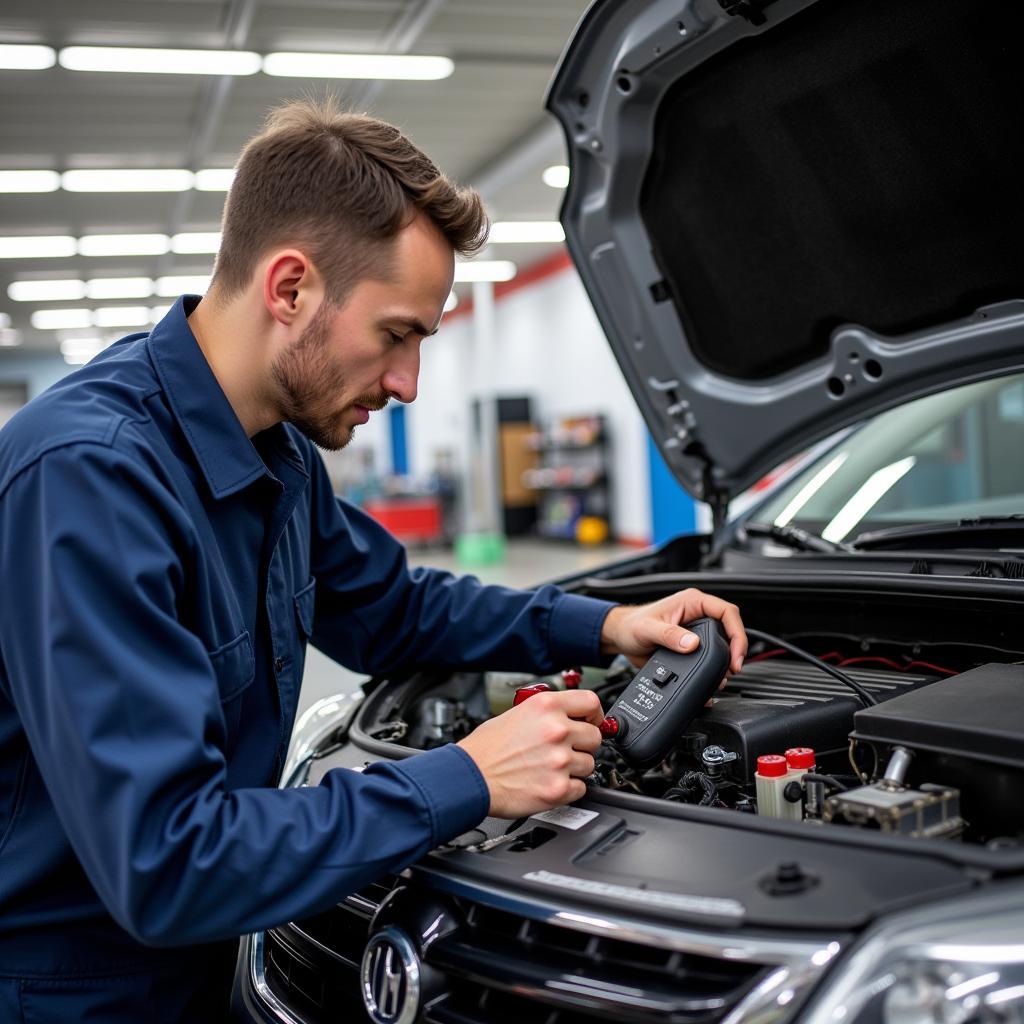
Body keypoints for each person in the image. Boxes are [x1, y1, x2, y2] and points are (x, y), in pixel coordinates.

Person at [0, 98, 747, 1022]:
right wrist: (469, 776)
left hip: (204, 963)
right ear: (289, 289)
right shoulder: (91, 477)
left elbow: (396, 607)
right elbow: (167, 861)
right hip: (71, 994)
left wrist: (603, 622)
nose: (407, 384)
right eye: (397, 335)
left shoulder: (275, 455)